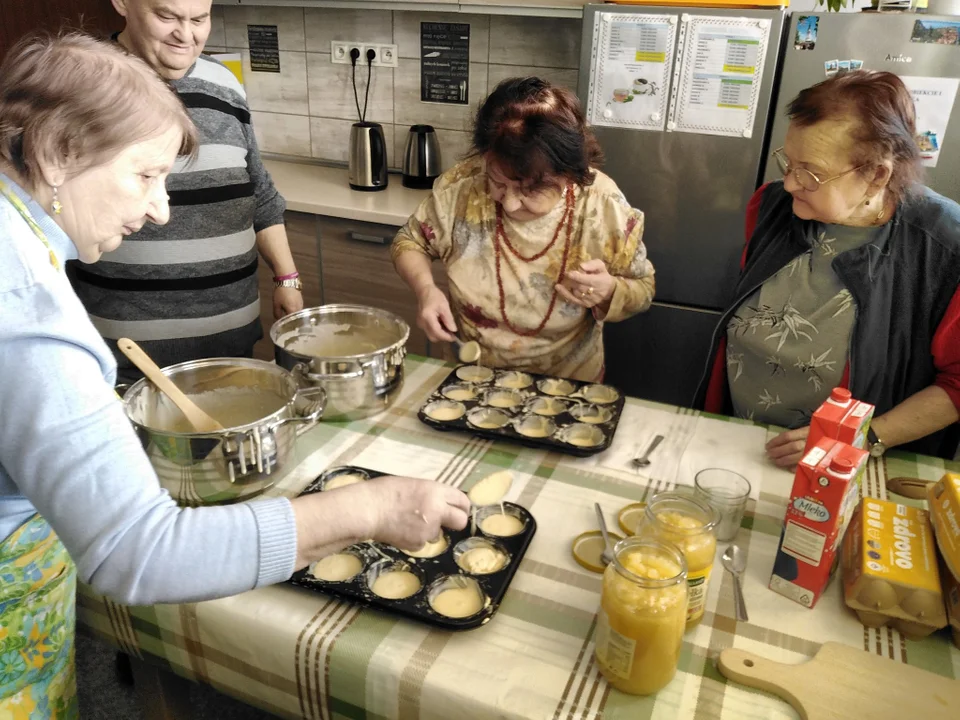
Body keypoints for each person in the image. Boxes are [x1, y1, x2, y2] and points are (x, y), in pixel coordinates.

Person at [0, 34, 469, 717]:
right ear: (57, 152)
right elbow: (136, 550)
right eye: (144, 175)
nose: (159, 208)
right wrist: (370, 510)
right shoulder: (28, 311)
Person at [695, 70, 960, 466]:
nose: (789, 184)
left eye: (811, 173)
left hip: (852, 466)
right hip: (740, 443)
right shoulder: (771, 207)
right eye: (789, 162)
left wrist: (860, 438)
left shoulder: (943, 246)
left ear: (876, 175)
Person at [66, 0, 304, 384]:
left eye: (199, 19)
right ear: (123, 3)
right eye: (167, 16)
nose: (186, 35)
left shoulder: (224, 81)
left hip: (232, 344)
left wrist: (286, 276)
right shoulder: (81, 82)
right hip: (129, 358)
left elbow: (256, 188)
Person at [392, 77, 655, 381]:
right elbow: (409, 241)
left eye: (530, 190)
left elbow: (643, 290)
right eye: (499, 183)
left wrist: (609, 290)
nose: (511, 204)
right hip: (471, 378)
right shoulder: (462, 188)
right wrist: (426, 290)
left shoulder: (602, 205)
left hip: (566, 385)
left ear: (568, 175)